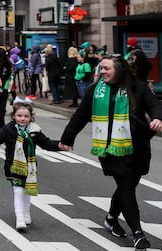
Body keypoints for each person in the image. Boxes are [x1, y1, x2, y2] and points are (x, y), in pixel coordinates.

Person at [59, 55, 162, 250]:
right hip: (109, 147)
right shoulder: (94, 90)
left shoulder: (137, 87)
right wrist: (67, 139)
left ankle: (111, 217)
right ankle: (138, 233)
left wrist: (157, 118)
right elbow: (81, 115)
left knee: (129, 184)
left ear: (120, 70)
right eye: (101, 68)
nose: (102, 72)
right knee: (125, 186)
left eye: (107, 68)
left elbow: (155, 105)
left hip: (137, 145)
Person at [0, 99, 60, 231]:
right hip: (13, 165)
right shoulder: (8, 129)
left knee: (27, 190)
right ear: (13, 116)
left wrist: (60, 145)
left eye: (26, 116)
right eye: (19, 116)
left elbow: (46, 144)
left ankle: (26, 213)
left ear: (31, 117)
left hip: (30, 167)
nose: (22, 118)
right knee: (18, 190)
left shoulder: (34, 130)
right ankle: (20, 218)